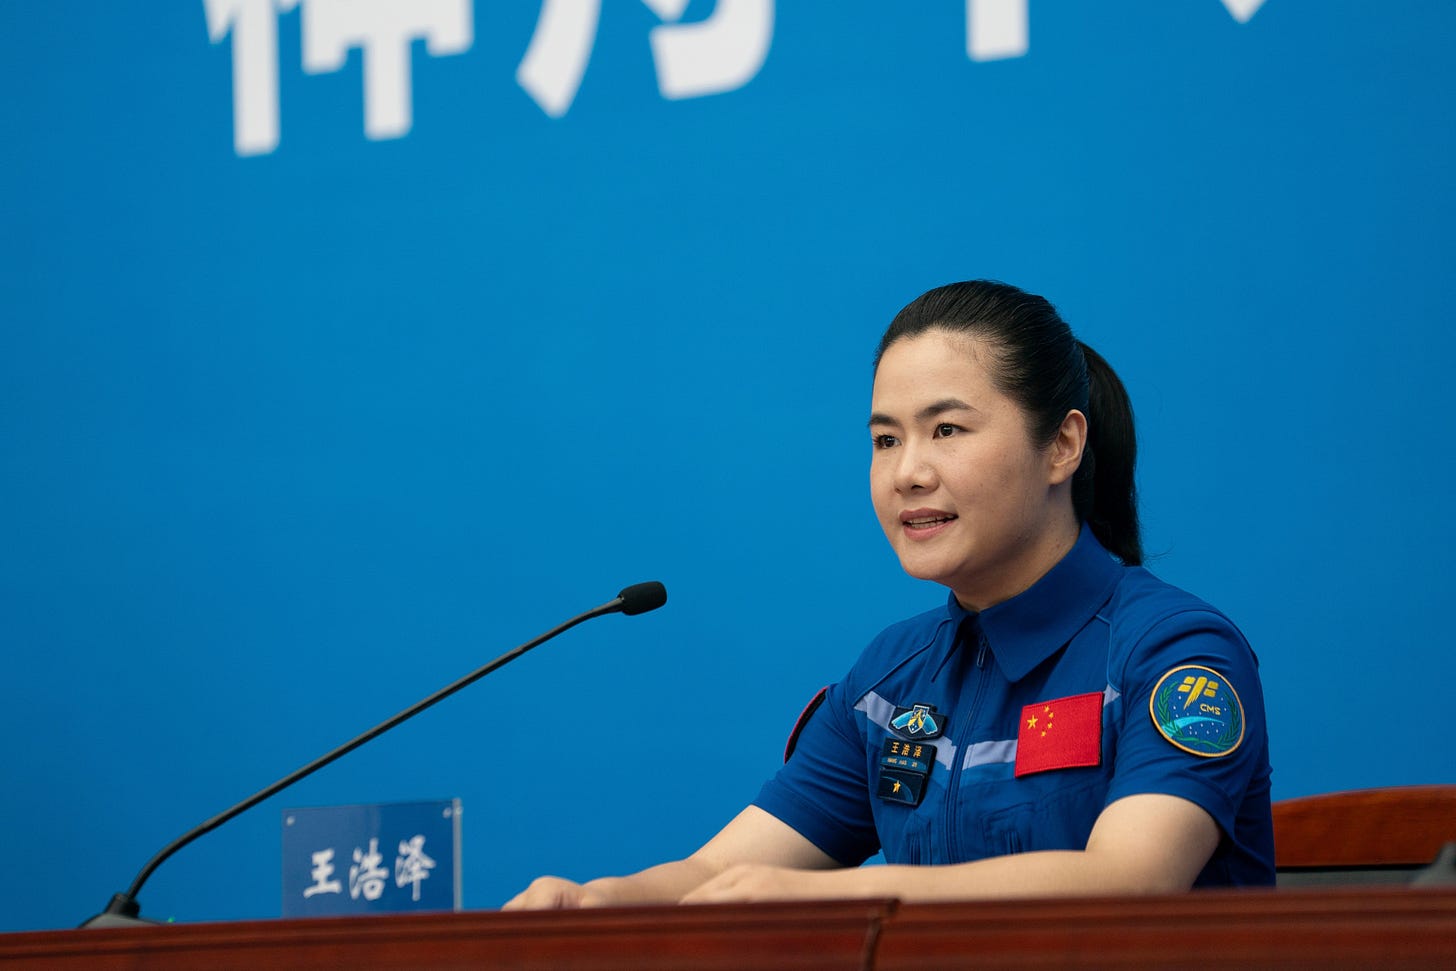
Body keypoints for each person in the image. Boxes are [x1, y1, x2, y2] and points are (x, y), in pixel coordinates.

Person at [505, 280, 1273, 908]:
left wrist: (857, 894)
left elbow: (1130, 880)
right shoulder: (890, 679)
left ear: (1062, 445)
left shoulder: (1174, 652)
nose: (907, 471)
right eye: (885, 439)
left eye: (946, 430)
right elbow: (718, 876)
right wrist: (597, 900)